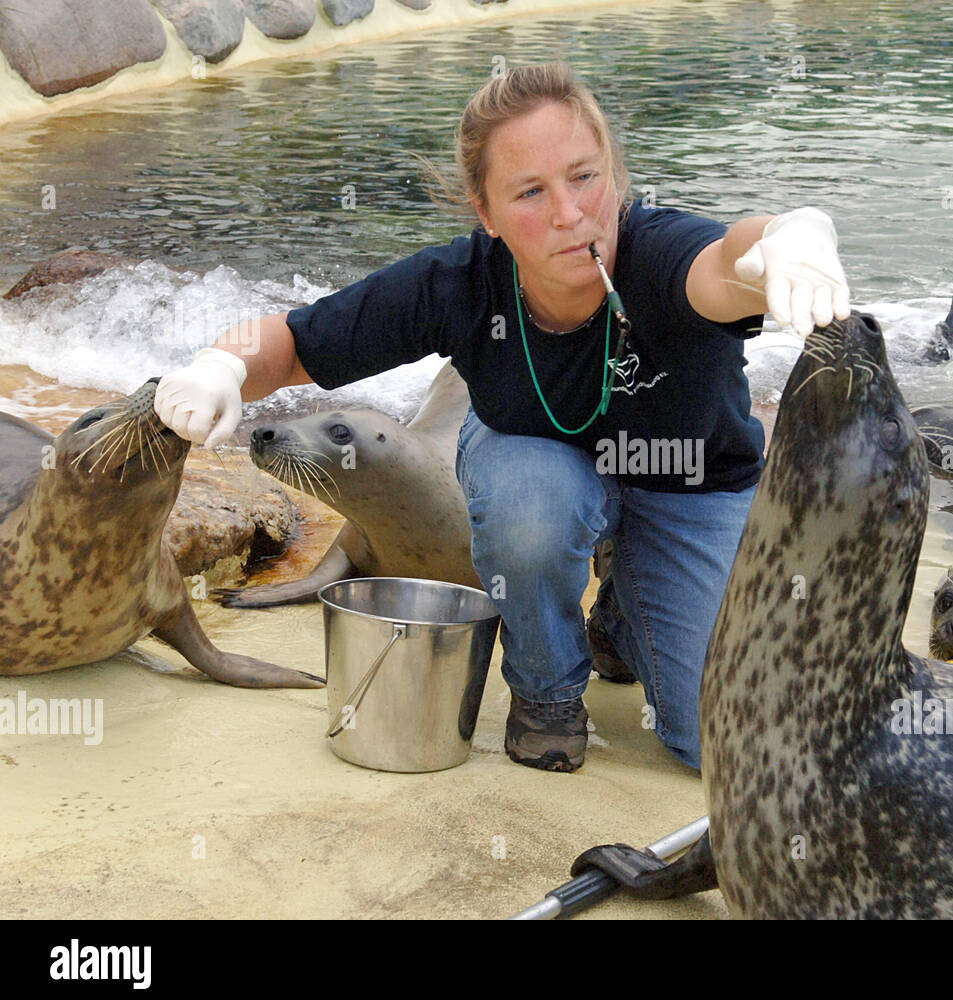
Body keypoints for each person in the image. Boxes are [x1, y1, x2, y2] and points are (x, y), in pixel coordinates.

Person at [153, 63, 851, 773]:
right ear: (485, 212)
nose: (570, 214)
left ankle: (621, 618)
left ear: (613, 172)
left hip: (692, 485)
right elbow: (294, 339)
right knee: (529, 505)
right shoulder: (460, 284)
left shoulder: (662, 252)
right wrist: (221, 365)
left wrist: (785, 237)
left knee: (725, 748)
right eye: (529, 192)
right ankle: (546, 693)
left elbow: (729, 263)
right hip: (544, 478)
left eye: (585, 177)